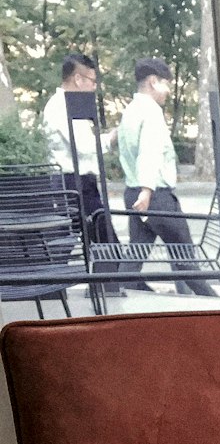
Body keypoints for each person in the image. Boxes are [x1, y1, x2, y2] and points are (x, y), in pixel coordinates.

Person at [117, 56, 219, 298]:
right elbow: (149, 152)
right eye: (164, 84)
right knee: (185, 257)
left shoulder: (130, 111)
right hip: (155, 195)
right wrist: (147, 190)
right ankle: (215, 303)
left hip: (132, 192)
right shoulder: (151, 113)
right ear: (152, 82)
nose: (167, 92)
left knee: (136, 252)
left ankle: (116, 294)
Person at [41, 53, 139, 293]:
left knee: (82, 239)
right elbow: (83, 146)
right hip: (74, 182)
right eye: (92, 81)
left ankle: (93, 290)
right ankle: (104, 291)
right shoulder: (62, 106)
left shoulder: (64, 104)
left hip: (76, 181)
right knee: (102, 238)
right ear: (77, 79)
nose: (94, 87)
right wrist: (111, 138)